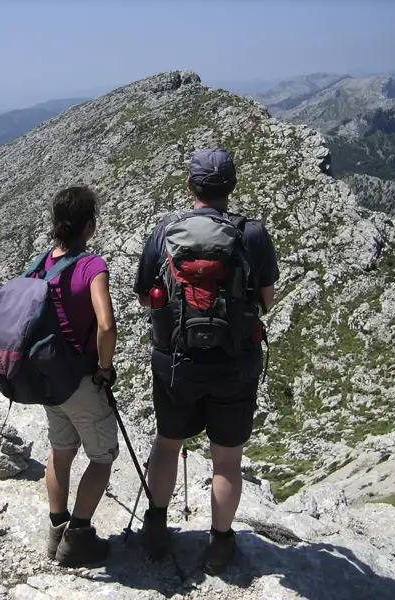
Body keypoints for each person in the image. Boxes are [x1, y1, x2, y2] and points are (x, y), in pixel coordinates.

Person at [133, 148, 279, 574]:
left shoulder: (165, 231)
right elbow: (266, 300)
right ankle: (219, 546)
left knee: (167, 444)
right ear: (231, 187)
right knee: (227, 459)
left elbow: (145, 295)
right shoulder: (252, 234)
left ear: (191, 185)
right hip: (235, 366)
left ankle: (156, 529)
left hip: (175, 363)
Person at [41, 186, 120, 567]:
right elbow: (107, 326)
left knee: (61, 451)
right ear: (89, 225)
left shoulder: (45, 263)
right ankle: (78, 537)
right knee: (103, 457)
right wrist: (105, 369)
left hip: (49, 380)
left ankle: (56, 531)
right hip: (80, 379)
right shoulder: (91, 266)